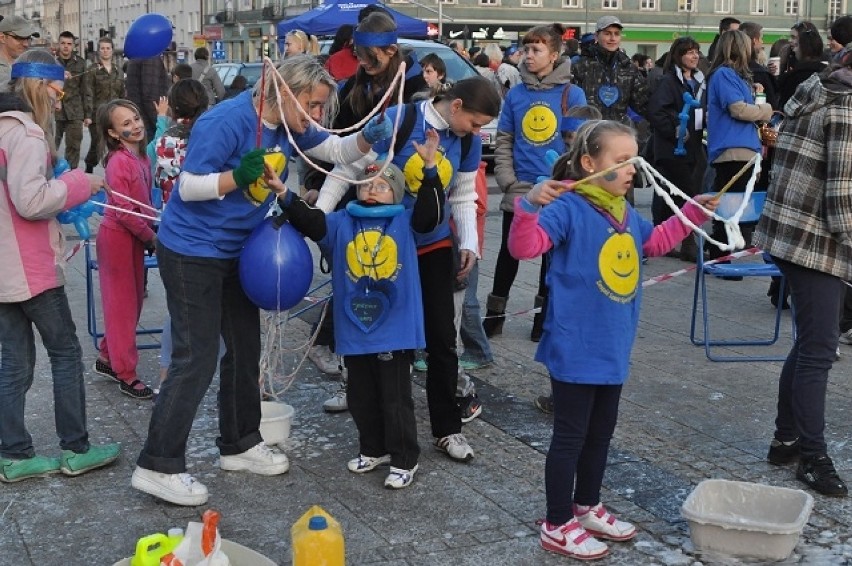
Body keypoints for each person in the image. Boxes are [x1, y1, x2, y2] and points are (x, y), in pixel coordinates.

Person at [130, 55, 393, 506]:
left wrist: (367, 140)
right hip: (193, 250)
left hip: (236, 249)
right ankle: (157, 464)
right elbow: (189, 186)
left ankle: (239, 443)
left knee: (245, 349)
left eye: (319, 108)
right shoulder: (226, 121)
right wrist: (238, 177)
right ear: (285, 92)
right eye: (310, 104)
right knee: (197, 356)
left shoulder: (289, 123)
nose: (314, 115)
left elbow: (332, 150)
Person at [508, 119, 717, 559]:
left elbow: (654, 243)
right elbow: (524, 249)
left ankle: (585, 505)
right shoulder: (569, 207)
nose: (630, 171)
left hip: (612, 343)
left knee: (601, 432)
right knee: (570, 436)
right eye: (621, 161)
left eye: (634, 161)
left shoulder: (623, 210)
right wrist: (527, 205)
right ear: (588, 163)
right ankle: (556, 521)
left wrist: (691, 212)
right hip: (574, 343)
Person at [319, 76, 502, 461]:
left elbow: (464, 193)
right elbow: (350, 170)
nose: (478, 131)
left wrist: (468, 242)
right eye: (475, 122)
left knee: (440, 339)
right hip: (382, 247)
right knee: (381, 338)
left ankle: (447, 428)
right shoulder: (400, 120)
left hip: (433, 245)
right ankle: (380, 431)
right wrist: (319, 217)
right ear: (456, 107)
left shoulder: (465, 141)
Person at [275, 133, 443, 489]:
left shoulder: (405, 223)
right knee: (360, 395)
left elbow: (431, 214)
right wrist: (283, 193)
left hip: (394, 327)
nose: (372, 190)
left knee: (395, 397)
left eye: (382, 185)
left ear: (396, 193)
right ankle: (374, 447)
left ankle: (404, 458)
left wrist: (430, 170)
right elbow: (311, 220)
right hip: (354, 326)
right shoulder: (340, 222)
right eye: (367, 184)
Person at [0, 49, 120, 483]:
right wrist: (77, 183)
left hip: (3, 271)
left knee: (14, 361)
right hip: (29, 267)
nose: (59, 99)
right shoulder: (28, 135)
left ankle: (13, 455)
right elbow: (30, 201)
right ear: (39, 87)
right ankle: (76, 448)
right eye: (57, 90)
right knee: (66, 353)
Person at [303, 11, 428, 398]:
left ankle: (398, 374)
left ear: (392, 51)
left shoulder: (416, 86)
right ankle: (353, 377)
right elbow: (334, 148)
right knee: (354, 280)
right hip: (355, 193)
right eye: (359, 56)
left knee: (396, 282)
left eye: (370, 58)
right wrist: (315, 190)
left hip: (399, 200)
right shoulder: (355, 86)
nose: (363, 65)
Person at [752, 46, 852, 498]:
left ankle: (786, 438)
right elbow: (841, 197)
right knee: (819, 349)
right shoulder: (847, 106)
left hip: (789, 231)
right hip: (814, 238)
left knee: (813, 339)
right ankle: (812, 456)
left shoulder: (818, 88)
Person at [487, 24, 586, 339]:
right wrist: (506, 179)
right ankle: (495, 315)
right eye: (525, 49)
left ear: (554, 55)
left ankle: (542, 321)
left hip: (556, 189)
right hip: (520, 188)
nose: (528, 55)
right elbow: (504, 140)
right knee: (509, 252)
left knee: (550, 256)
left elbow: (577, 144)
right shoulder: (516, 94)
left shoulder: (572, 93)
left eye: (536, 50)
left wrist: (566, 182)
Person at [90, 99, 158, 400]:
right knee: (122, 308)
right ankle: (126, 374)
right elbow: (124, 211)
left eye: (135, 118)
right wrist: (150, 237)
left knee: (132, 305)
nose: (135, 126)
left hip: (135, 237)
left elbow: (143, 202)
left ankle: (108, 358)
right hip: (118, 239)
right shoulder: (118, 161)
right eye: (126, 124)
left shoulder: (141, 157)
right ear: (114, 134)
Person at [705, 29, 773, 262]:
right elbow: (738, 109)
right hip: (733, 148)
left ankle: (726, 251)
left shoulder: (733, 76)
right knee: (730, 205)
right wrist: (765, 110)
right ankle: (722, 253)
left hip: (742, 147)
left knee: (734, 203)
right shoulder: (724, 74)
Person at [646, 36, 707, 262]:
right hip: (672, 150)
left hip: (693, 148)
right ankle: (688, 243)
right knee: (687, 193)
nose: (695, 56)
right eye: (690, 52)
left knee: (672, 195)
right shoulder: (669, 81)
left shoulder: (699, 82)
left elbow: (698, 111)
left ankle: (663, 239)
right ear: (678, 55)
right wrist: (675, 128)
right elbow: (656, 112)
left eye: (697, 52)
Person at [572, 17, 650, 126]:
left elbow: (644, 105)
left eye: (617, 34)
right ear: (596, 36)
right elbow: (572, 105)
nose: (612, 38)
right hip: (588, 132)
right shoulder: (580, 66)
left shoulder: (628, 67)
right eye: (607, 34)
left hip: (617, 135)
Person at [84, 36, 124, 174]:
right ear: (98, 51)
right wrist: (88, 116)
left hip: (114, 114)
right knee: (97, 143)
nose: (105, 51)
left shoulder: (118, 70)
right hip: (97, 114)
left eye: (108, 48)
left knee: (115, 144)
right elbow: (88, 93)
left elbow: (122, 94)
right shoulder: (92, 70)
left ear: (112, 50)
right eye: (102, 48)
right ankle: (88, 170)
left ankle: (114, 172)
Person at [54, 31, 89, 170]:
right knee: (50, 145)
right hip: (55, 110)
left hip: (75, 111)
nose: (66, 47)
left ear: (73, 45)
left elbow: (85, 90)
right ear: (59, 44)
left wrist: (88, 114)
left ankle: (71, 174)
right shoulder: (51, 61)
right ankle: (47, 174)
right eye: (63, 43)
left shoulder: (80, 63)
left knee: (74, 146)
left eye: (69, 44)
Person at [125, 55, 171, 141]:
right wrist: (160, 122)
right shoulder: (151, 57)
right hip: (148, 122)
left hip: (138, 118)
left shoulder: (137, 55)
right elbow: (149, 95)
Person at [0, 16, 40, 92]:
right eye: (19, 38)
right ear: (2, 38)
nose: (26, 44)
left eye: (28, 38)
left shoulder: (28, 64)